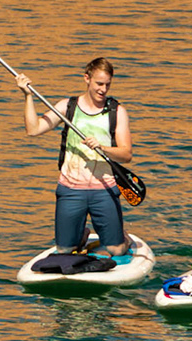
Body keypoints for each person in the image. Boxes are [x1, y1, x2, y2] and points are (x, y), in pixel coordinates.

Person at [16, 59, 136, 255]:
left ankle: (124, 238)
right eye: (99, 84)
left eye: (107, 84)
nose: (103, 89)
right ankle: (81, 235)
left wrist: (103, 148)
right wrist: (28, 96)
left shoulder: (117, 112)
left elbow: (126, 154)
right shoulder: (67, 107)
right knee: (64, 250)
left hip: (104, 189)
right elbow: (33, 129)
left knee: (116, 249)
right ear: (87, 79)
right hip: (71, 189)